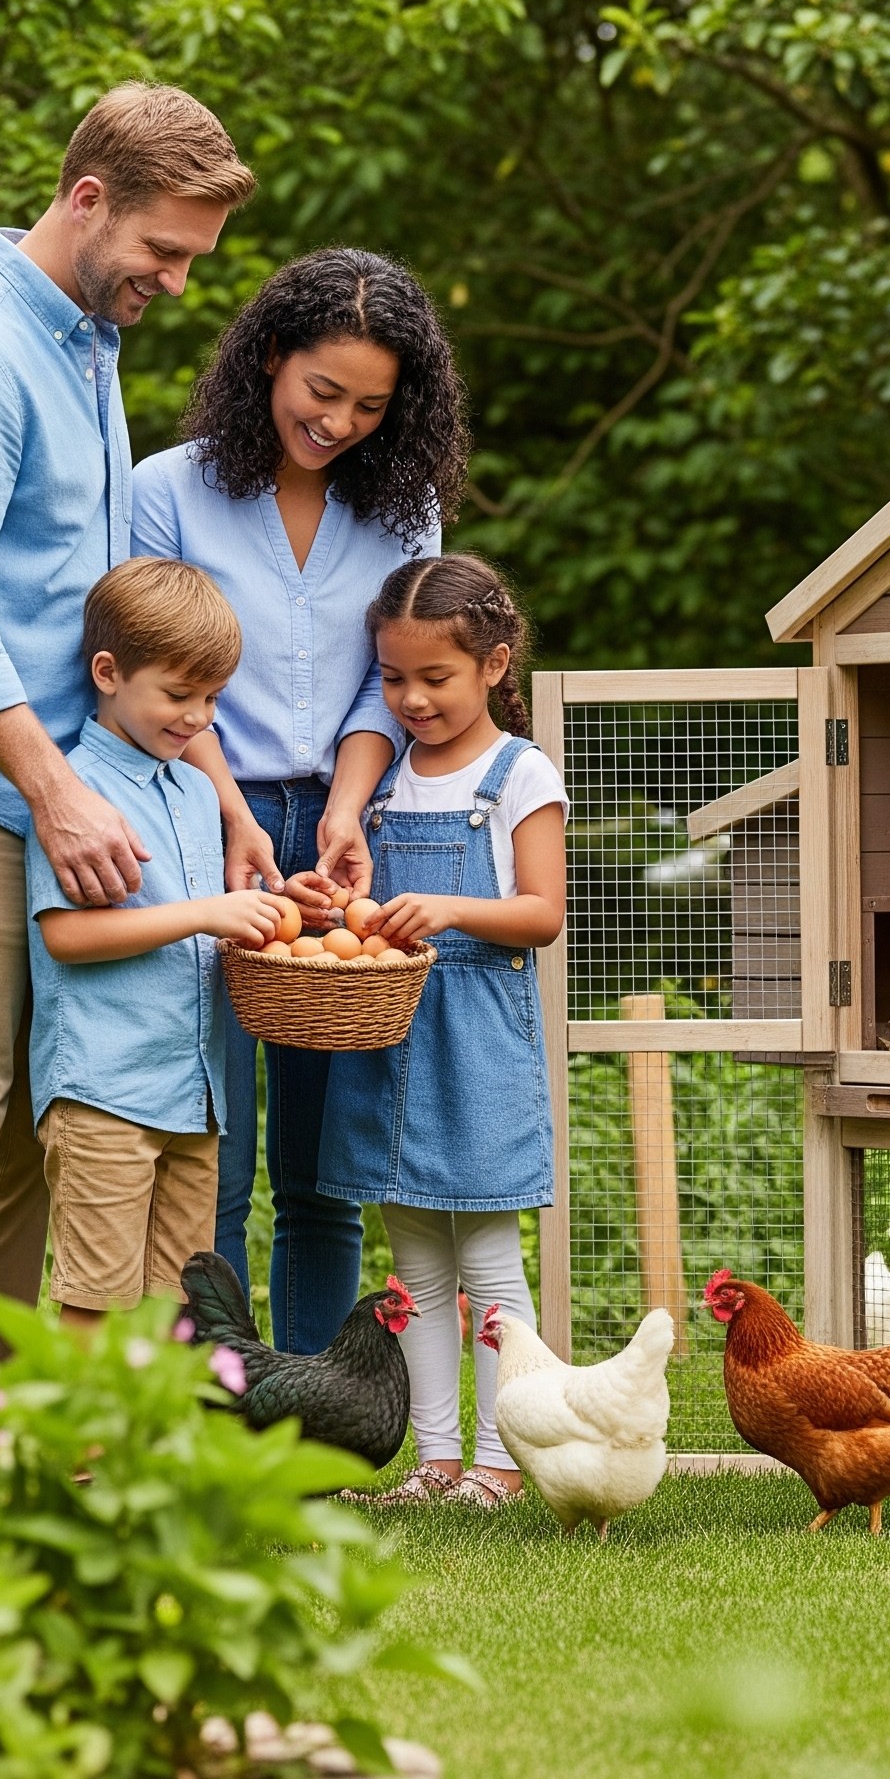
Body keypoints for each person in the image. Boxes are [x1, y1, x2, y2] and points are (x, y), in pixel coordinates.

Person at [0, 83, 255, 1345]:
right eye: (163, 251)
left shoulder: (83, 350)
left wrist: (223, 802)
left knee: (28, 1126)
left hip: (44, 793)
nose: (177, 282)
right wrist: (56, 788)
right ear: (86, 200)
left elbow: (125, 628)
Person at [131, 249, 467, 1352]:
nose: (339, 422)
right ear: (270, 356)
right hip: (195, 820)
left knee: (323, 1168)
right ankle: (212, 1406)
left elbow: (393, 672)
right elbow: (157, 669)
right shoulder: (164, 491)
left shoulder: (402, 504)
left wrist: (347, 805)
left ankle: (316, 1423)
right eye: (322, 391)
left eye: (370, 405)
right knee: (213, 1150)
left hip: (340, 833)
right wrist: (230, 809)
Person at [318, 555, 566, 1508]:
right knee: (414, 1263)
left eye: (435, 678)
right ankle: (437, 1461)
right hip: (387, 1030)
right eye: (392, 679)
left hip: (475, 1040)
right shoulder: (382, 779)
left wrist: (453, 908)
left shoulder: (518, 772)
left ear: (496, 664)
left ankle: (503, 1461)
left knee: (490, 1260)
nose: (411, 699)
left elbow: (542, 913)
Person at [26, 558, 288, 1330]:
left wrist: (272, 911)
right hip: (105, 1090)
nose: (198, 718)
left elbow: (207, 919)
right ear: (108, 673)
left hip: (192, 1095)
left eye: (212, 698)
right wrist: (208, 912)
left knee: (178, 1309)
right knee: (94, 1301)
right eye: (178, 695)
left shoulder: (197, 789)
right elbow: (68, 935)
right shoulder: (77, 791)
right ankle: (79, 1458)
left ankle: (146, 1453)